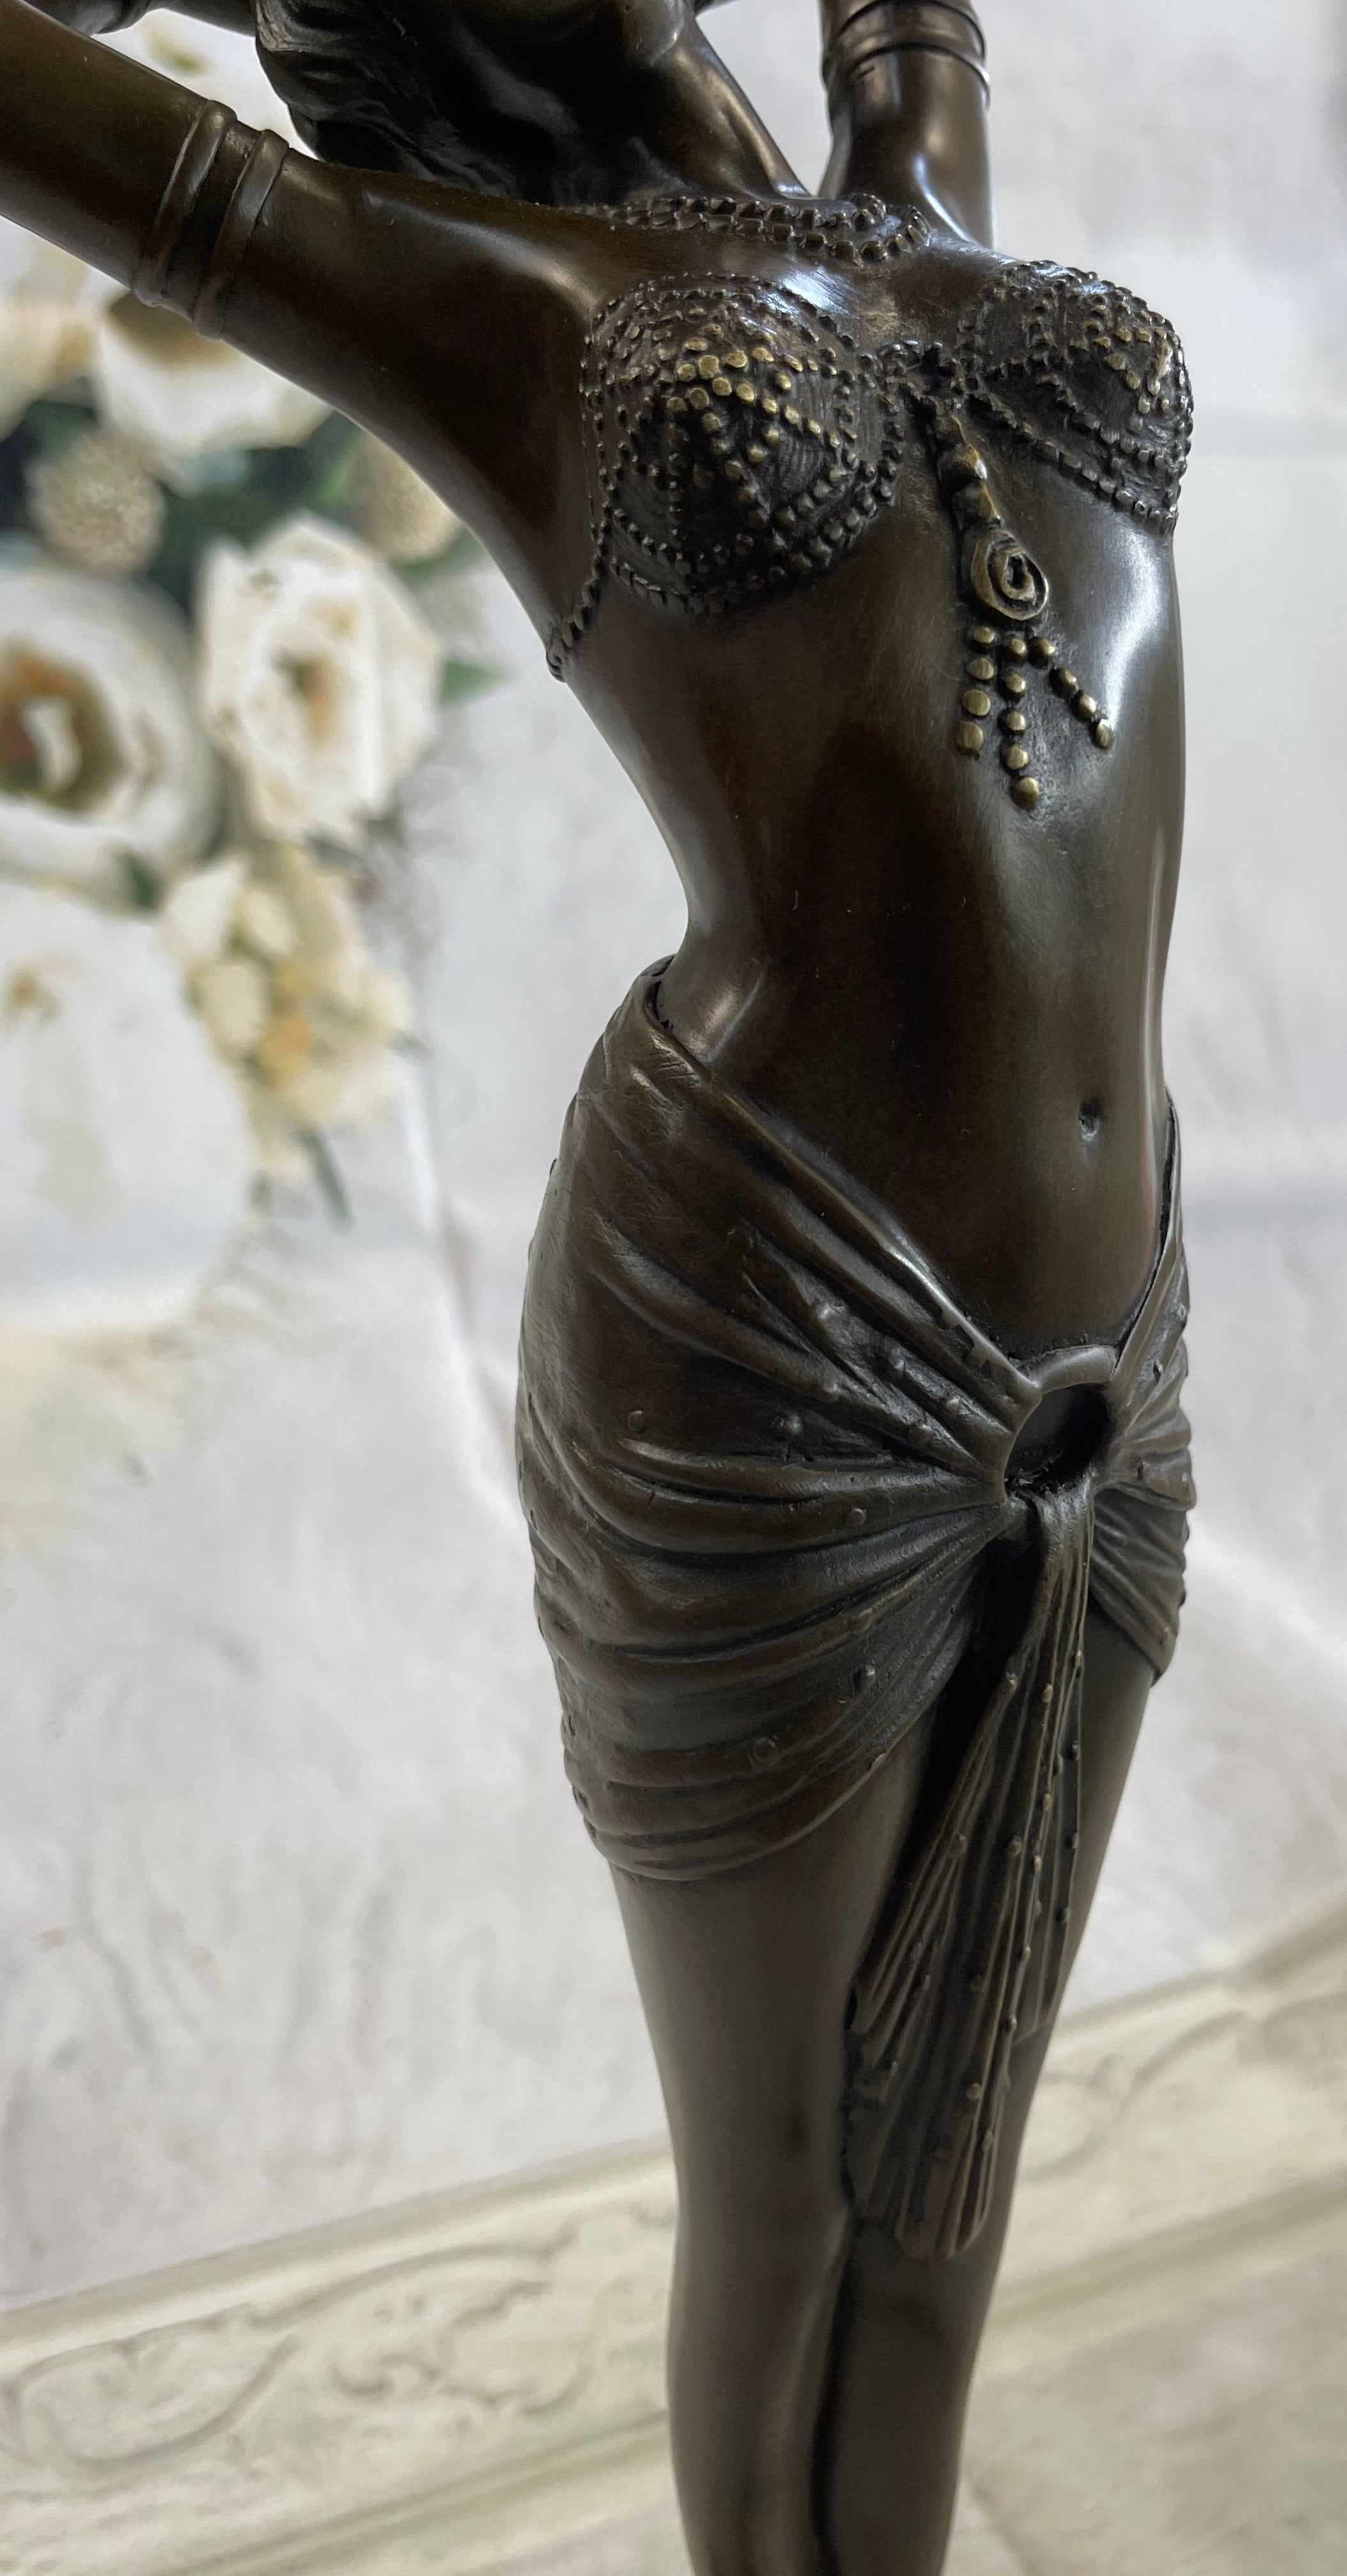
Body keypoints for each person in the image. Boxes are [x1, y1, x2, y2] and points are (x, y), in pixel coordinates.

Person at [0, 6, 1195, 2570]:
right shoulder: (470, 290)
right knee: (784, 2189)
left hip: (1114, 1326)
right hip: (765, 1328)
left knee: (951, 2158)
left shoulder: (909, 170)